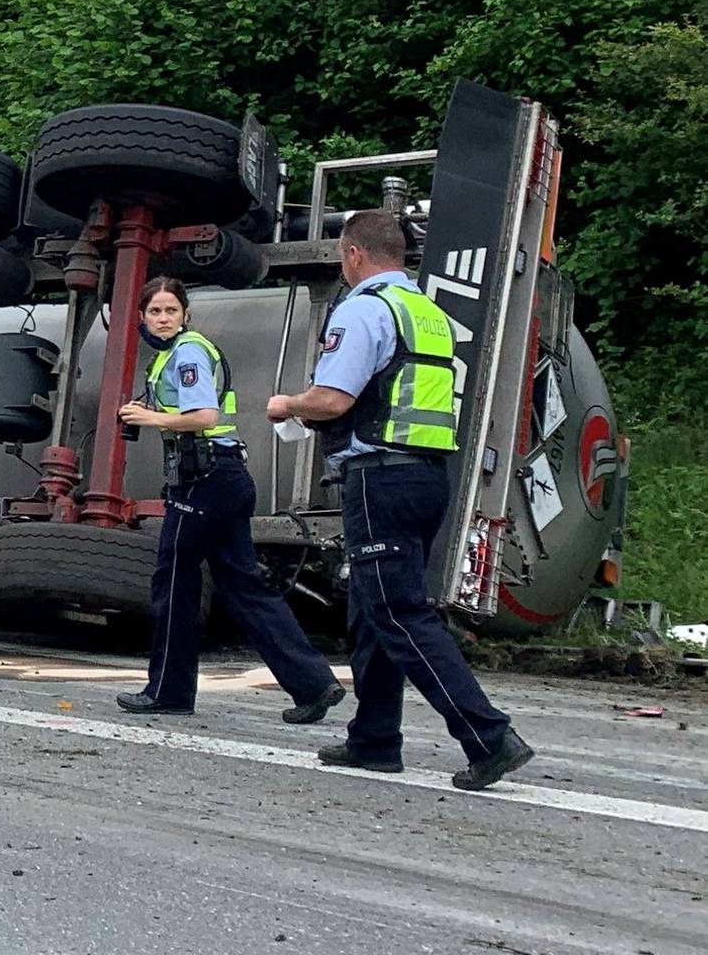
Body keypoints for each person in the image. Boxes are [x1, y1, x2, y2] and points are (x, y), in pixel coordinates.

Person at [267, 209, 532, 791]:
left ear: (354, 254)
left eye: (342, 255)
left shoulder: (365, 308)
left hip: (379, 476)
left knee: (397, 612)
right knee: (370, 608)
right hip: (426, 475)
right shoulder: (428, 314)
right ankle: (375, 740)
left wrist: (287, 405)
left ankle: (488, 737)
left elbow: (333, 400)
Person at [114, 277, 345, 721]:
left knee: (175, 583)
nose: (163, 320)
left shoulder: (187, 352)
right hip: (223, 476)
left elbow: (203, 416)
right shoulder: (173, 354)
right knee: (245, 587)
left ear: (185, 315)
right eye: (155, 312)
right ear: (142, 317)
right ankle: (314, 684)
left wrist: (147, 416)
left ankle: (169, 692)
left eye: (171, 311)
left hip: (205, 479)